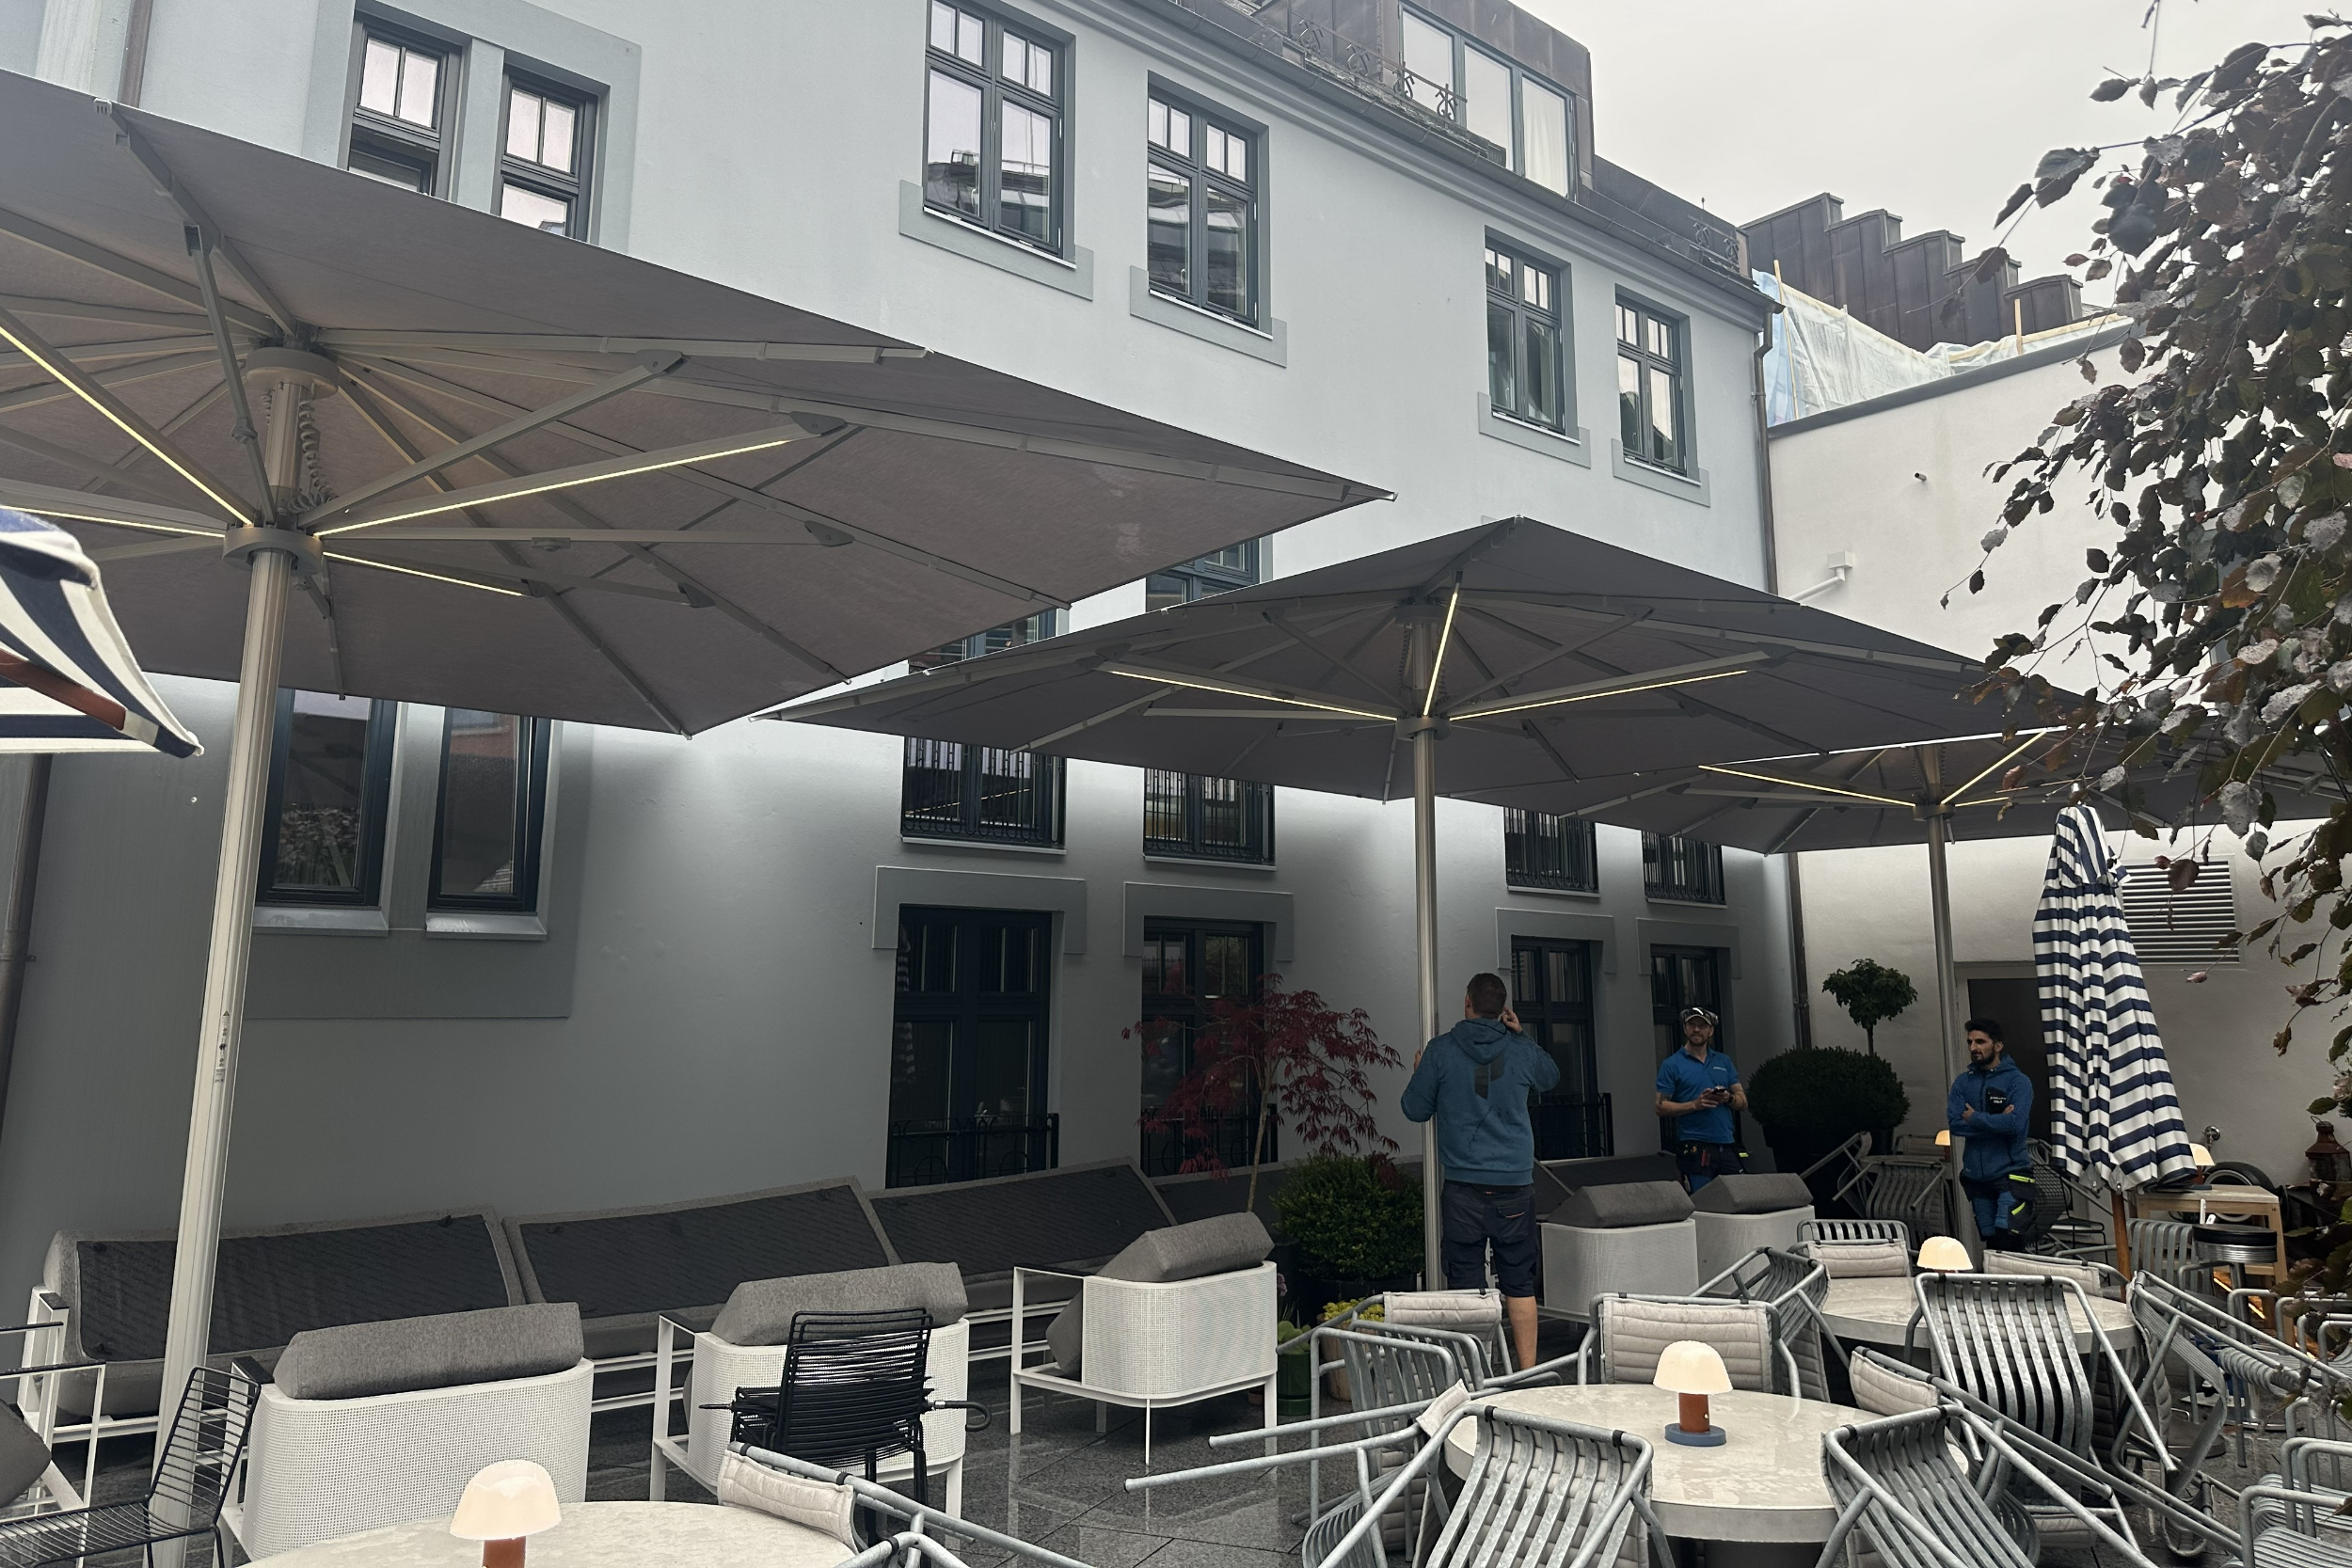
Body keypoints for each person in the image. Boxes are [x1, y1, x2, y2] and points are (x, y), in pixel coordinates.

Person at [1400, 971, 1559, 1372]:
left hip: (1463, 1187)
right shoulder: (1520, 1049)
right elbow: (1551, 1078)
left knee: (1467, 1285)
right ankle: (1527, 1372)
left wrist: (1420, 1072)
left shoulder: (1441, 1050)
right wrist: (1523, 1036)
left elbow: (1414, 1109)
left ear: (1467, 1002)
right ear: (1503, 1009)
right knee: (1519, 1281)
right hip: (1515, 1184)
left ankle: (1476, 1374)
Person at [1947, 1017, 2034, 1248]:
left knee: (2009, 1240)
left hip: (2011, 1174)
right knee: (1991, 1242)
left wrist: (1975, 1118)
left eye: (1980, 1042)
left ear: (1998, 1046)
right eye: (1970, 1042)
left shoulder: (2018, 1081)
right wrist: (1998, 1122)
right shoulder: (1963, 1082)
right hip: (1976, 1177)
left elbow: (2015, 1125)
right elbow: (1955, 1125)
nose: (1973, 1048)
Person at [1653, 1007, 1746, 1190]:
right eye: (1692, 1025)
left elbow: (1743, 1102)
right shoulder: (1671, 1065)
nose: (1697, 1029)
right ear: (1685, 1029)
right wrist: (1695, 1105)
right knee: (1703, 1200)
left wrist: (1728, 1098)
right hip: (1695, 1146)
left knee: (1740, 1196)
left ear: (1710, 1031)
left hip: (1726, 1144)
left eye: (1702, 1026)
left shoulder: (1724, 1061)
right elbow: (1660, 1107)